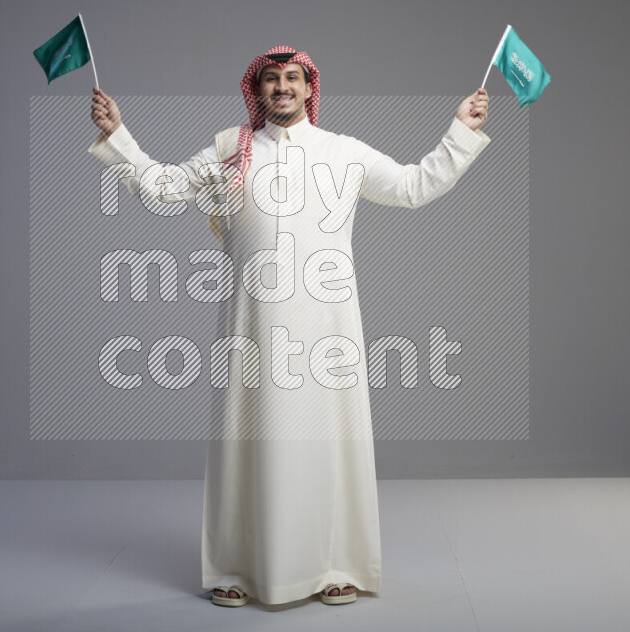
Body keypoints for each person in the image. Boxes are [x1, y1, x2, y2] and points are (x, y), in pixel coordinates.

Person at [87, 45, 490, 607]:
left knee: (327, 441)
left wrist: (461, 131)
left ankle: (334, 566)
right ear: (258, 90)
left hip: (327, 326)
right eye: (272, 79)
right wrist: (119, 135)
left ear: (309, 89)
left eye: (293, 78)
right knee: (243, 440)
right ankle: (235, 568)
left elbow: (413, 186)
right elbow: (165, 189)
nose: (282, 87)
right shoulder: (231, 149)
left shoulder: (342, 152)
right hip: (251, 323)